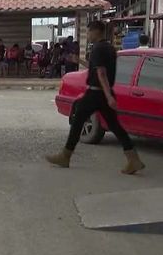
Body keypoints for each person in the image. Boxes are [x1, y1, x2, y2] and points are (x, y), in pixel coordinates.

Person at [45, 21, 145, 174]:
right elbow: (96, 68)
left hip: (96, 92)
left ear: (97, 31)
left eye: (90, 32)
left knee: (78, 119)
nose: (89, 35)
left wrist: (107, 96)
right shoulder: (109, 48)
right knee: (115, 126)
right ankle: (133, 159)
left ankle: (66, 155)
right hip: (104, 92)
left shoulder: (98, 48)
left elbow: (101, 73)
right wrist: (79, 61)